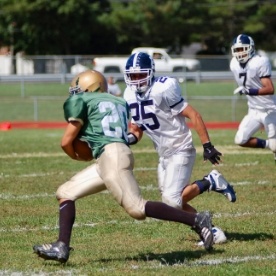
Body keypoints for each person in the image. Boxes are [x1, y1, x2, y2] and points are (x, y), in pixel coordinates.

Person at [33, 69, 214, 264]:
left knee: (137, 209)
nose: (76, 93)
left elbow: (66, 141)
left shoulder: (82, 101)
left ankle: (196, 220)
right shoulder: (118, 102)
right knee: (66, 192)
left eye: (80, 89)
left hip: (112, 157)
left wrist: (77, 155)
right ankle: (61, 246)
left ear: (90, 86)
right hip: (112, 155)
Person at [123, 52, 237, 246]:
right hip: (164, 154)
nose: (136, 80)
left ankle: (210, 187)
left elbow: (194, 115)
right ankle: (210, 227)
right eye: (132, 76)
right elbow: (137, 128)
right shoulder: (128, 94)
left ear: (150, 72)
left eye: (140, 74)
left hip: (180, 148)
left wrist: (208, 146)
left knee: (171, 201)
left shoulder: (163, 88)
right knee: (174, 202)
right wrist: (129, 138)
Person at [230, 34, 276, 161]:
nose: (240, 53)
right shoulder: (234, 64)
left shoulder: (260, 61)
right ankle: (269, 145)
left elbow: (270, 89)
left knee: (275, 147)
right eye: (237, 50)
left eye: (242, 49)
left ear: (250, 48)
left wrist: (250, 91)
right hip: (254, 110)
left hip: (270, 109)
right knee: (240, 139)